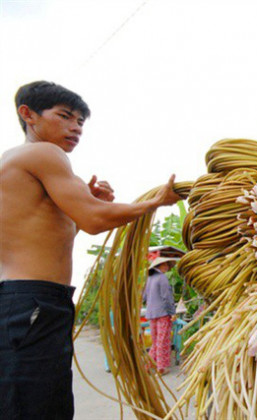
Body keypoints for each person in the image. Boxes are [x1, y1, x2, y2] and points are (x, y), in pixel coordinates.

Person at [0, 81, 183, 419]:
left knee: (34, 402)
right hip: (33, 301)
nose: (76, 127)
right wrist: (155, 202)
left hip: (25, 300)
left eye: (81, 121)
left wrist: (91, 203)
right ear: (28, 115)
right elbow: (95, 220)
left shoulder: (17, 162)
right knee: (34, 407)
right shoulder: (43, 153)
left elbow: (67, 227)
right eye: (65, 116)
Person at [142, 257, 178, 375]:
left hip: (151, 313)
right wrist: (172, 312)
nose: (167, 267)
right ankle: (161, 367)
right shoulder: (162, 278)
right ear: (160, 265)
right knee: (163, 341)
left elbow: (144, 298)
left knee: (156, 341)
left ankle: (147, 365)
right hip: (163, 313)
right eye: (166, 265)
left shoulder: (149, 279)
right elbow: (167, 297)